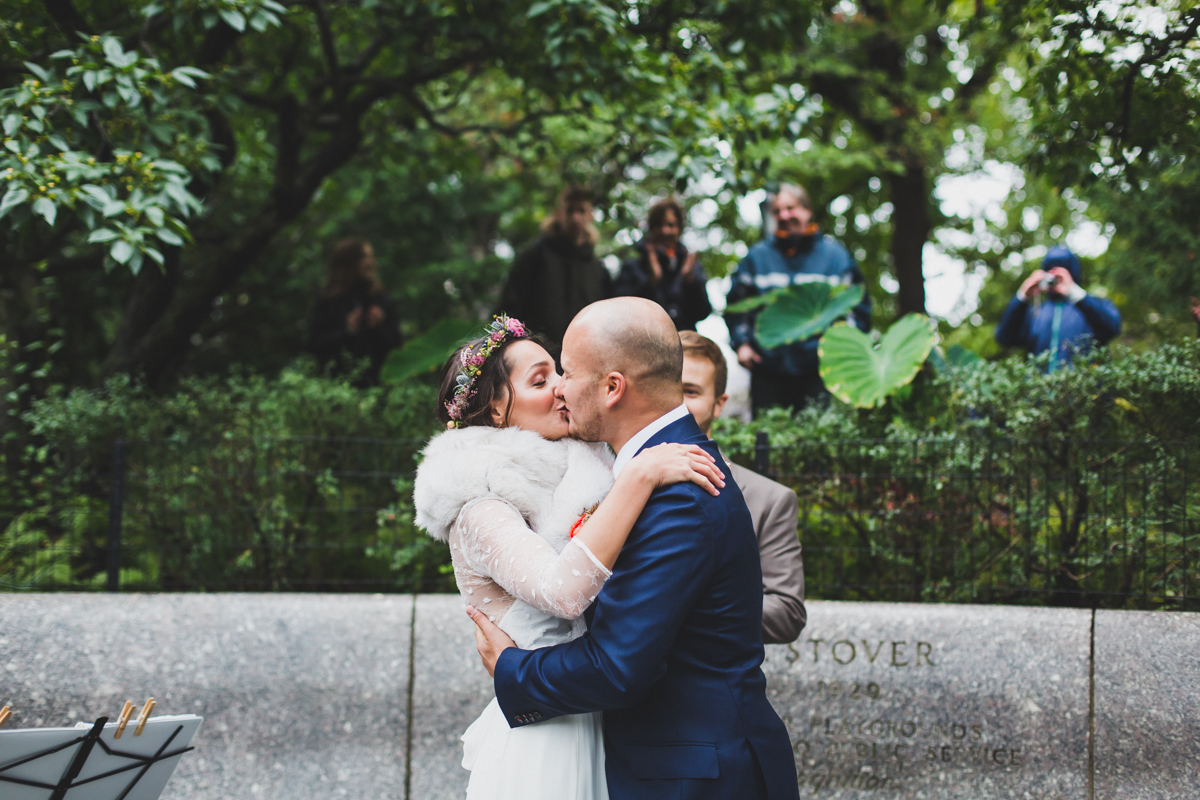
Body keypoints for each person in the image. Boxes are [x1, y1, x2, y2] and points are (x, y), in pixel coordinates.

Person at [468, 298, 800, 800]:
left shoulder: (677, 495)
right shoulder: (647, 475)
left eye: (570, 372)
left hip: (695, 778)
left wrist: (512, 670)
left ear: (612, 388)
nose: (561, 387)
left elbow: (617, 668)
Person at [412, 314, 726, 800]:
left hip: (607, 720)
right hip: (545, 736)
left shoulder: (583, 472)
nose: (561, 387)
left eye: (559, 372)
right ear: (496, 411)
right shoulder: (478, 504)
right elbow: (563, 592)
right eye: (541, 380)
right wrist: (638, 479)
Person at [679, 330, 806, 644]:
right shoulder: (610, 477)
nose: (675, 404)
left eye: (690, 392)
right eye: (666, 390)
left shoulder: (769, 500)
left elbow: (786, 613)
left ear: (719, 404)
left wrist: (683, 607)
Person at [726, 183, 871, 415]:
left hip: (819, 369)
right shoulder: (757, 257)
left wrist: (844, 348)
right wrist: (742, 344)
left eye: (790, 208)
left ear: (807, 210)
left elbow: (856, 307)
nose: (784, 216)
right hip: (768, 367)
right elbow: (737, 306)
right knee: (767, 440)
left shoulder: (835, 257)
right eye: (777, 211)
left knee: (816, 440)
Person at [499, 186, 613, 344]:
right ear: (559, 213)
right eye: (570, 210)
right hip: (538, 352)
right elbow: (511, 306)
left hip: (581, 356)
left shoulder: (597, 269)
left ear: (590, 215)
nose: (575, 217)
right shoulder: (535, 255)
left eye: (581, 211)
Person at [994, 245, 1122, 371]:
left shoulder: (1093, 304)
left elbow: (1112, 328)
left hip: (1084, 390)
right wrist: (1022, 297)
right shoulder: (1036, 312)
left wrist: (1074, 292)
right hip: (1039, 390)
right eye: (1050, 271)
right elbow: (1005, 338)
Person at [306, 238, 401, 384]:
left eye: (372, 256)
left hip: (377, 388)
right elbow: (314, 347)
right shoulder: (328, 301)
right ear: (348, 262)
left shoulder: (382, 301)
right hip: (339, 388)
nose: (371, 261)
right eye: (364, 256)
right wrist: (347, 332)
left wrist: (381, 326)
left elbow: (397, 349)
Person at [613, 198, 712, 331]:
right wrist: (651, 283)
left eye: (671, 225)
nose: (665, 231)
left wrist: (690, 282)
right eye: (659, 225)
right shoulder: (633, 267)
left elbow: (702, 312)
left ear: (679, 229)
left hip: (683, 342)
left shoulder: (691, 266)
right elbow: (621, 313)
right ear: (652, 228)